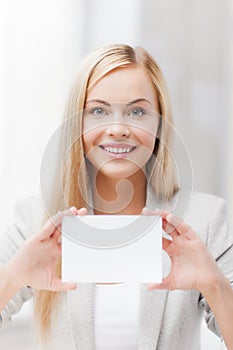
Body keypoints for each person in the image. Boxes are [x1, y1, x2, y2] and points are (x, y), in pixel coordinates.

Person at [0, 44, 233, 350]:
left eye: (138, 111)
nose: (119, 128)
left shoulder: (205, 219)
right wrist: (13, 277)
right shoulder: (35, 220)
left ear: (160, 123)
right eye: (98, 111)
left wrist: (213, 284)